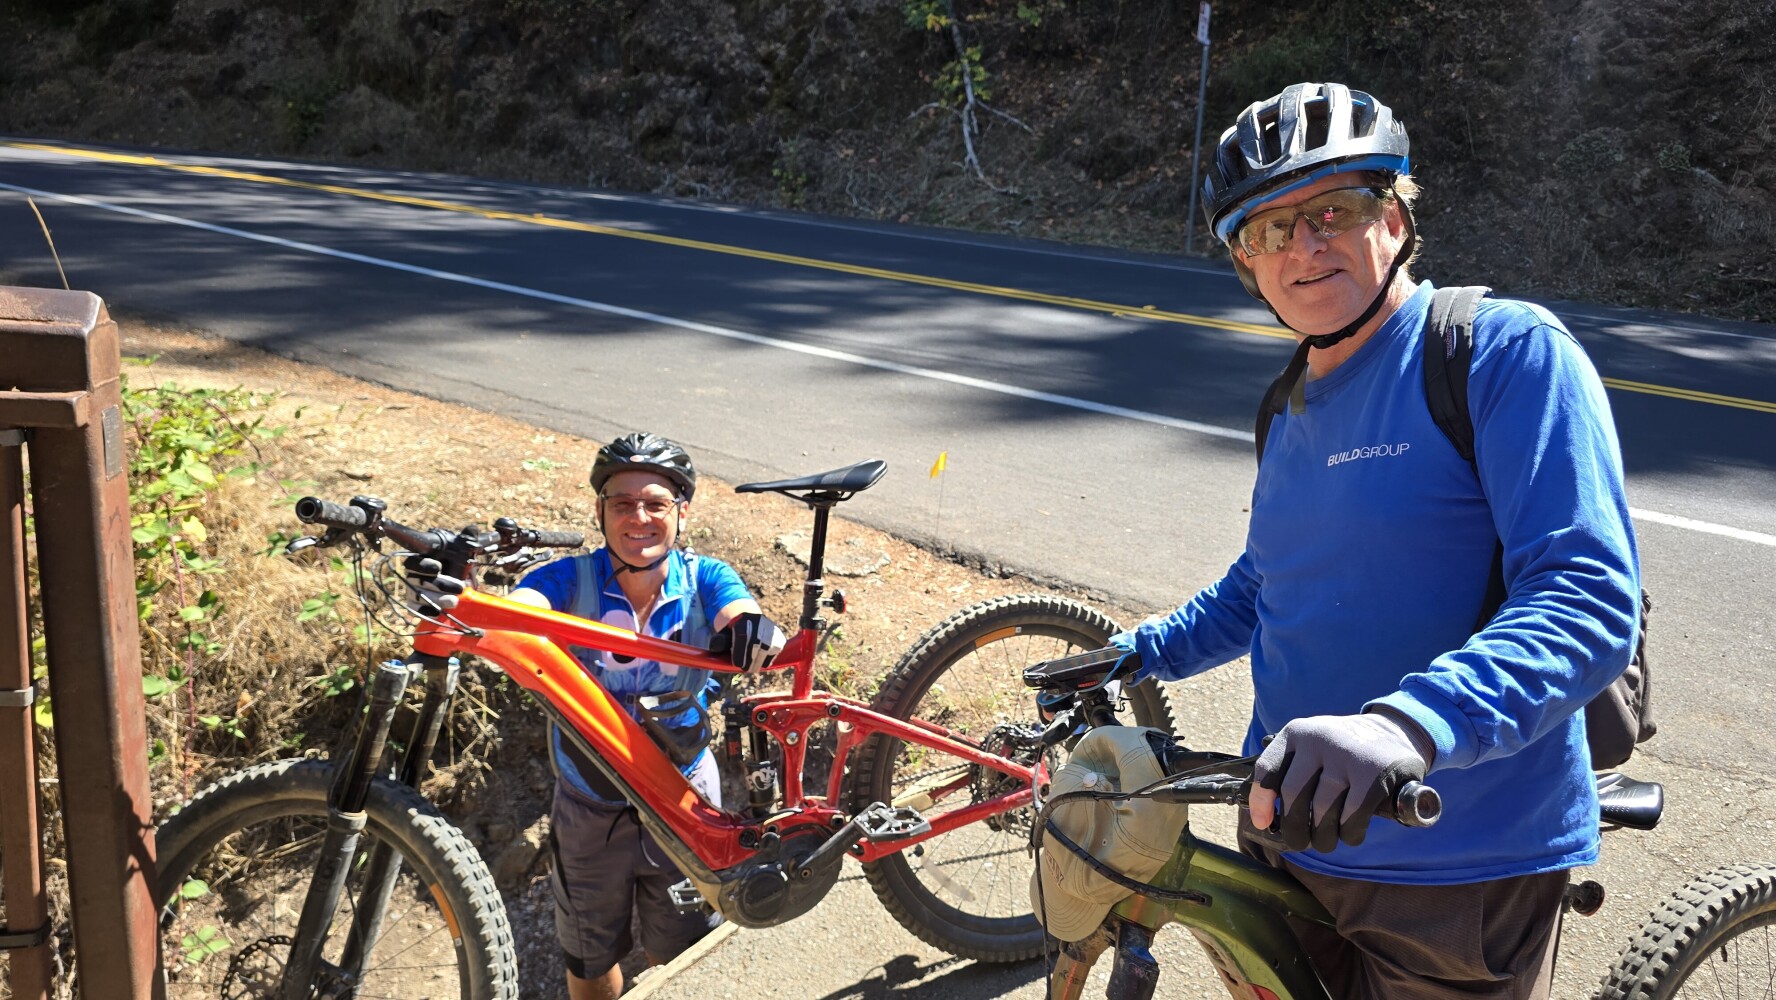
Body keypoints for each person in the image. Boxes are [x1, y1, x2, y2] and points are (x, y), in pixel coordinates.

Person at [1111, 83, 1641, 998]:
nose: (1304, 246)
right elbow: (1268, 582)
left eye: (1334, 209)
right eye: (1270, 230)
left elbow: (1588, 597)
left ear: (1394, 216)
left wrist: (1408, 722)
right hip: (1286, 834)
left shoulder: (1498, 352)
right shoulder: (1287, 404)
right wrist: (1137, 652)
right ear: (1245, 259)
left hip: (1458, 863)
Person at [508, 432, 784, 1000]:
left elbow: (740, 610)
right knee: (589, 962)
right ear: (599, 511)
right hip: (589, 803)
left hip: (683, 800)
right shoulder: (567, 580)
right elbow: (524, 605)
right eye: (621, 503)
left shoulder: (704, 578)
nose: (639, 517)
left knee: (677, 955)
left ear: (681, 513)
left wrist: (750, 629)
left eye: (655, 503)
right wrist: (510, 619)